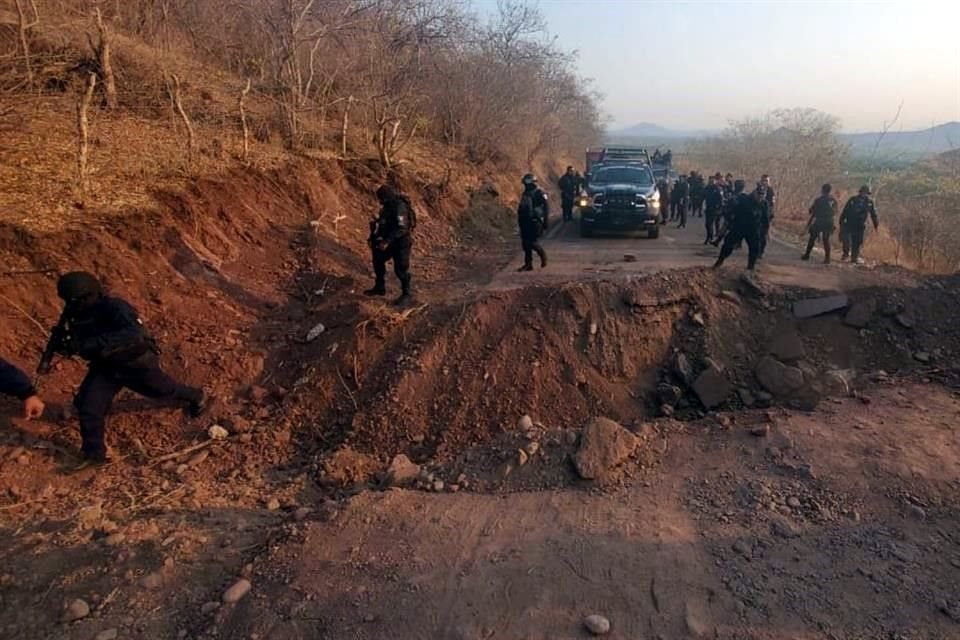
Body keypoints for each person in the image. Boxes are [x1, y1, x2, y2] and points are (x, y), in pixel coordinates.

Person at [38, 272, 208, 468]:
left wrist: (93, 343)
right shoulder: (76, 314)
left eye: (76, 300)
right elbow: (81, 343)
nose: (72, 304)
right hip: (106, 367)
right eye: (69, 301)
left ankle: (197, 396)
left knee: (162, 389)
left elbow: (134, 333)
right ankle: (94, 455)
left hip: (135, 363)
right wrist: (69, 346)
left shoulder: (114, 307)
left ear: (90, 295)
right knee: (88, 406)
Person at [365, 184, 415, 304]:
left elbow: (401, 228)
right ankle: (380, 286)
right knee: (377, 258)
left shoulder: (399, 206)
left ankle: (407, 294)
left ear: (386, 196)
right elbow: (385, 223)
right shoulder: (387, 207)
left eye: (381, 198)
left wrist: (386, 241)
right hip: (389, 241)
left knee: (400, 269)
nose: (380, 201)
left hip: (401, 242)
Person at [713, 179, 763, 271]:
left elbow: (765, 219)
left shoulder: (763, 204)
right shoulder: (743, 199)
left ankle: (750, 268)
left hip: (753, 230)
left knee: (755, 247)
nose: (760, 198)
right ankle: (719, 262)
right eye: (758, 195)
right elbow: (731, 207)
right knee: (728, 244)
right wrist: (726, 216)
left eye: (762, 196)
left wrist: (766, 231)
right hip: (739, 226)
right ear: (754, 193)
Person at [839, 185, 879, 264]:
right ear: (860, 192)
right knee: (846, 240)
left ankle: (854, 258)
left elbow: (873, 214)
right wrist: (841, 220)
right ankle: (845, 254)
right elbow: (845, 210)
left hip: (860, 225)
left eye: (866, 193)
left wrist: (876, 225)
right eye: (863, 192)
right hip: (849, 223)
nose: (864, 194)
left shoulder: (870, 202)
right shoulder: (852, 199)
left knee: (857, 242)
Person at [517, 173, 549, 271]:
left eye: (528, 183)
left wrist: (545, 222)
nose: (526, 185)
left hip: (535, 221)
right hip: (524, 220)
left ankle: (542, 255)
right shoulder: (525, 193)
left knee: (532, 242)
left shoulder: (540, 192)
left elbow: (546, 207)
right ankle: (528, 264)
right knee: (525, 244)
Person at [803, 184, 838, 264]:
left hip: (819, 221)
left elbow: (811, 211)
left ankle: (807, 255)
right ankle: (827, 258)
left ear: (822, 190)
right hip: (829, 222)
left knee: (812, 238)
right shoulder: (833, 200)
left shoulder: (819, 200)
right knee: (826, 239)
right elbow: (835, 212)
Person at [757, 174, 775, 259]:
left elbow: (772, 204)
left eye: (766, 181)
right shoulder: (757, 190)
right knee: (757, 234)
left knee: (763, 234)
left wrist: (770, 215)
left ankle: (761, 252)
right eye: (763, 180)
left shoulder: (771, 191)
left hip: (766, 215)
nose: (765, 182)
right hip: (757, 215)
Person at [703, 174, 725, 245]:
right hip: (708, 208)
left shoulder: (717, 189)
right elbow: (704, 196)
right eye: (710, 180)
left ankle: (709, 237)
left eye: (712, 180)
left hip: (714, 209)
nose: (711, 181)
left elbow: (721, 200)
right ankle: (709, 236)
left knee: (710, 223)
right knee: (707, 224)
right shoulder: (707, 188)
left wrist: (719, 208)